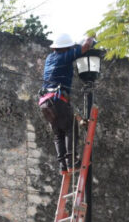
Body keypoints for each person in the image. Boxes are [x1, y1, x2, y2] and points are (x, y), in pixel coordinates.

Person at [38, 33, 96, 172]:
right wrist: (91, 36)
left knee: (58, 133)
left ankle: (63, 165)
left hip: (45, 102)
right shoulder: (65, 57)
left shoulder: (50, 57)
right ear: (65, 48)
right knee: (71, 128)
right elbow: (85, 47)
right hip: (57, 100)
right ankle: (71, 162)